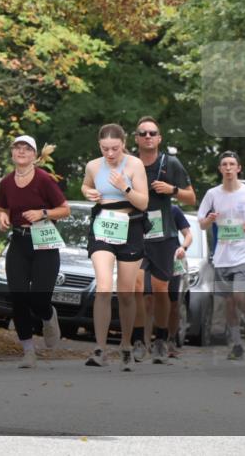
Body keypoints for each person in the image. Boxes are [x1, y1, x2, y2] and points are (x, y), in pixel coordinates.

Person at [0, 135, 70, 368]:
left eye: (26, 149)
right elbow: (0, 207)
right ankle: (28, 351)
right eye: (17, 148)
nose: (21, 152)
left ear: (35, 155)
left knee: (39, 298)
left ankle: (48, 316)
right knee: (18, 296)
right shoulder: (6, 182)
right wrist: (2, 216)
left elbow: (65, 210)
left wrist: (42, 213)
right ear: (12, 153)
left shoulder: (44, 179)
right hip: (19, 241)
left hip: (44, 241)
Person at [80, 124, 149, 371]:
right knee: (104, 287)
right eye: (105, 148)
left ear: (123, 143)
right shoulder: (93, 166)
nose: (110, 153)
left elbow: (143, 202)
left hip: (130, 226)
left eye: (115, 148)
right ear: (99, 146)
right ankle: (100, 349)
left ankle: (127, 344)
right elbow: (86, 185)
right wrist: (89, 192)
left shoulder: (134, 165)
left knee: (126, 293)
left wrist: (125, 187)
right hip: (103, 226)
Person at [130, 117, 195, 363]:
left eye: (152, 133)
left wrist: (172, 190)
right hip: (136, 234)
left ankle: (160, 340)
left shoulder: (172, 163)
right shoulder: (129, 164)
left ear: (159, 138)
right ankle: (138, 341)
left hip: (164, 236)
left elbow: (191, 198)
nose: (147, 136)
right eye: (142, 133)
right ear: (136, 138)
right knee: (136, 288)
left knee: (160, 291)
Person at [197, 151, 245, 360]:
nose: (228, 168)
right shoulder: (212, 194)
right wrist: (209, 219)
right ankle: (237, 343)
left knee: (239, 296)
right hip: (222, 255)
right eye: (224, 165)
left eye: (232, 164)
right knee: (228, 303)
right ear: (220, 169)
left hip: (244, 253)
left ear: (238, 168)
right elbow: (201, 223)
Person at [152, 204, 193, 358]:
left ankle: (170, 340)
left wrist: (183, 247)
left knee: (173, 302)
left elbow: (188, 235)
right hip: (151, 258)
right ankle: (146, 340)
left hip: (172, 259)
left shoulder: (174, 210)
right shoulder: (144, 207)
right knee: (149, 298)